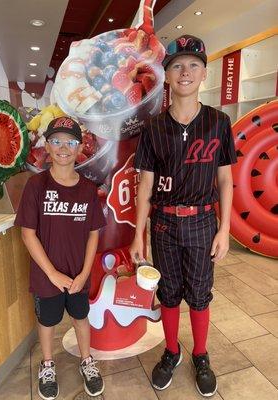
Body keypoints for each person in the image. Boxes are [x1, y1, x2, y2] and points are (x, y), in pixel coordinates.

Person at [130, 35, 237, 397]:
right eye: (177, 65)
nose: (185, 72)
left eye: (193, 65)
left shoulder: (219, 122)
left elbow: (225, 180)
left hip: (203, 222)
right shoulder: (153, 127)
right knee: (170, 292)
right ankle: (172, 350)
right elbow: (144, 186)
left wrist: (225, 230)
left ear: (204, 73)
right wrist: (138, 234)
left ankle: (201, 355)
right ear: (168, 75)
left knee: (200, 294)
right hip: (163, 223)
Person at [15, 116, 106, 399]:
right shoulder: (36, 186)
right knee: (47, 322)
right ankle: (47, 364)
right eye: (56, 141)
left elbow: (94, 234)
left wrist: (84, 273)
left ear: (80, 148)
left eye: (70, 142)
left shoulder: (89, 190)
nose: (63, 148)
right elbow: (28, 234)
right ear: (47, 145)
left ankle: (87, 361)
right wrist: (53, 274)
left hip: (78, 274)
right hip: (46, 276)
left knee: (81, 317)